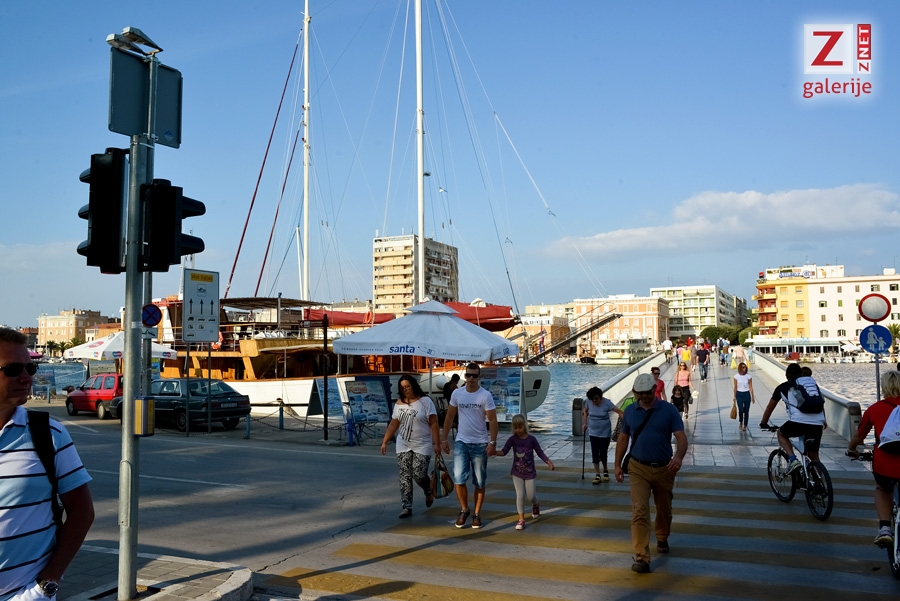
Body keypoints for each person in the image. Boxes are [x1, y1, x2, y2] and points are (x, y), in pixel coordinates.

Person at [0, 328, 94, 600]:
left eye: (30, 367)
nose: (26, 377)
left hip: (23, 594)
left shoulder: (49, 434)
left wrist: (46, 583)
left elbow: (81, 511)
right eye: (13, 369)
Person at [614, 373, 688, 574]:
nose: (645, 397)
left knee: (664, 507)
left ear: (654, 390)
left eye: (648, 392)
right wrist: (617, 465)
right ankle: (641, 557)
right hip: (638, 467)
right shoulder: (630, 411)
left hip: (665, 468)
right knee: (639, 510)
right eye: (641, 393)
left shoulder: (668, 410)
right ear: (635, 392)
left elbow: (681, 437)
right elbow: (623, 439)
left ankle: (662, 537)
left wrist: (678, 457)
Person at [442, 362, 498, 529]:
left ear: (479, 377)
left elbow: (492, 419)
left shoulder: (485, 395)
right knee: (458, 478)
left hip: (480, 443)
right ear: (465, 376)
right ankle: (464, 509)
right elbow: (449, 416)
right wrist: (444, 439)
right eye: (468, 375)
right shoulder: (457, 394)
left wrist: (492, 443)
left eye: (474, 375)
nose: (471, 378)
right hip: (462, 442)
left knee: (479, 481)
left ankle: (477, 513)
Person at [848, 370, 900, 547]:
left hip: (884, 463)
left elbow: (859, 436)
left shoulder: (875, 409)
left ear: (884, 387)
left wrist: (851, 449)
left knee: (882, 489)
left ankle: (885, 528)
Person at [381, 375, 441, 518]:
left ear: (413, 385)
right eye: (402, 387)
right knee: (405, 475)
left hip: (422, 444)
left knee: (418, 473)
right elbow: (394, 424)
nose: (405, 389)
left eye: (407, 386)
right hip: (403, 443)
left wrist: (437, 443)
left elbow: (434, 423)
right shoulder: (399, 403)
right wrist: (385, 441)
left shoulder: (425, 401)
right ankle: (406, 506)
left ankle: (428, 490)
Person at [759, 363, 826, 474]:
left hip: (799, 422)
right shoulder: (810, 384)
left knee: (781, 434)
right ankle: (820, 483)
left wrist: (763, 423)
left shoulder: (783, 387)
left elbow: (770, 407)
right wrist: (824, 420)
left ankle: (793, 459)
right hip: (818, 423)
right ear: (801, 373)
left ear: (786, 375)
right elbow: (819, 401)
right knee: (814, 457)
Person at [496, 414, 555, 530]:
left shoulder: (531, 439)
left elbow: (539, 452)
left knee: (531, 496)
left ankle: (535, 504)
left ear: (525, 426)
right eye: (515, 428)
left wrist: (548, 461)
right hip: (517, 472)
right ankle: (521, 519)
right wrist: (494, 452)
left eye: (520, 427)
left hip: (530, 473)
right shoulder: (512, 439)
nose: (517, 430)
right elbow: (504, 451)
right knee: (520, 495)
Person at [582, 386, 623, 484]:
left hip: (605, 432)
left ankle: (605, 470)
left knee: (603, 452)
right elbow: (585, 412)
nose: (594, 401)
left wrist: (624, 420)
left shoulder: (607, 403)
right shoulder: (588, 402)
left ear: (600, 397)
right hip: (593, 432)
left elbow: (619, 411)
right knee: (595, 452)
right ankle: (597, 474)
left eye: (596, 398)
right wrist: (584, 423)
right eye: (592, 399)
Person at [732, 362, 755, 431]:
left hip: (746, 394)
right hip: (739, 394)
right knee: (741, 410)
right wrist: (734, 396)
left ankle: (745, 425)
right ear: (740, 368)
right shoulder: (736, 376)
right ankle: (741, 422)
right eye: (743, 367)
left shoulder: (748, 376)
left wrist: (752, 396)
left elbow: (751, 387)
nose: (744, 368)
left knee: (746, 410)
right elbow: (735, 387)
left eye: (745, 367)